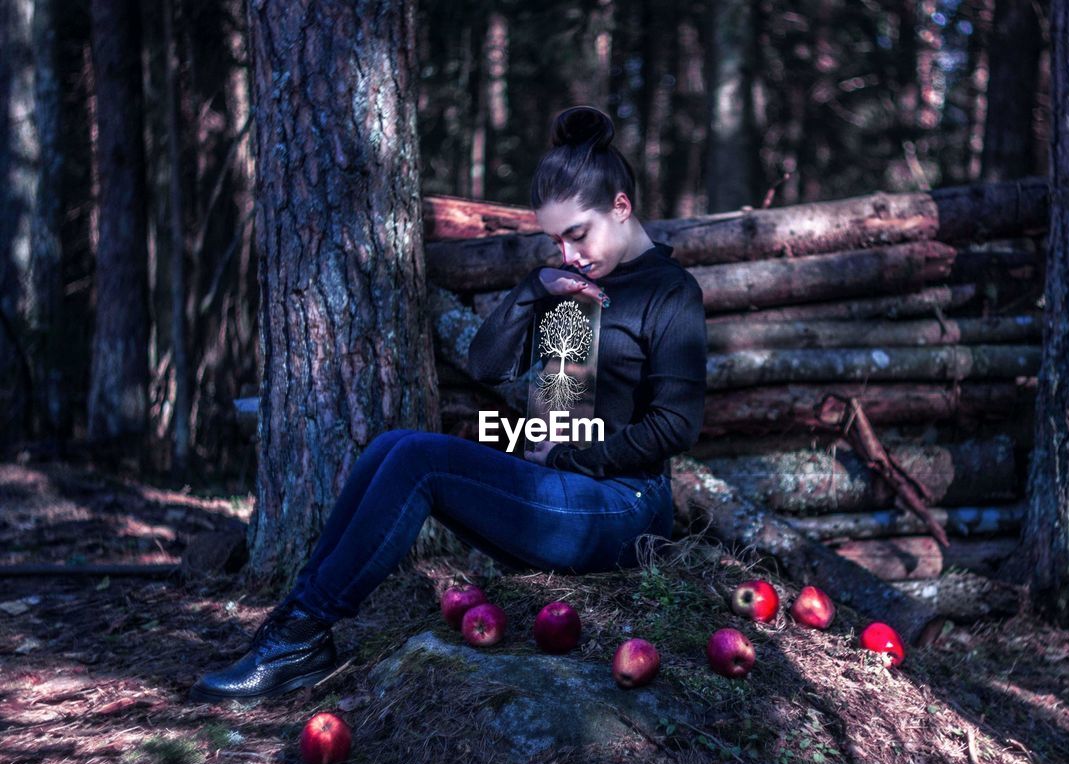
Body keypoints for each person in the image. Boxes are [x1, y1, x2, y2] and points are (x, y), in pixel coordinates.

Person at [189, 105, 708, 703]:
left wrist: (567, 460)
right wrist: (532, 291)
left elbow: (675, 425)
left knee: (421, 462)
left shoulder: (670, 292)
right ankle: (292, 627)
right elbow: (492, 369)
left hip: (627, 507)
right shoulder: (575, 286)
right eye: (554, 241)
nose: (567, 253)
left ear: (621, 207)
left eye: (577, 234)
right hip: (569, 489)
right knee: (392, 444)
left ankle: (301, 637)